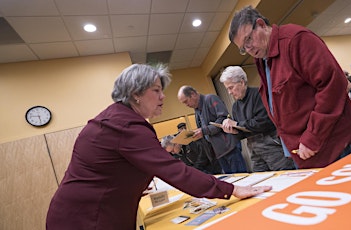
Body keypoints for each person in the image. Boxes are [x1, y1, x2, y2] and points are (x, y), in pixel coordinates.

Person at [46, 64, 270, 230]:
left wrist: (128, 183)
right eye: (156, 90)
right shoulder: (125, 124)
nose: (163, 96)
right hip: (86, 220)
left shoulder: (118, 118)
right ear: (136, 93)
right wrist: (230, 190)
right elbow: (173, 170)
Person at [228, 6, 351, 169]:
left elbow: (332, 87)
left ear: (261, 25)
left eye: (248, 39)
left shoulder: (296, 40)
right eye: (243, 48)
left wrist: (313, 136)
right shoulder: (263, 60)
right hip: (305, 152)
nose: (248, 49)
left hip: (334, 145)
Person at [219, 66, 296, 172]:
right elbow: (243, 132)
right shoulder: (235, 106)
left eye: (231, 87)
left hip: (272, 146)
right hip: (254, 149)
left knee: (285, 174)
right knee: (260, 179)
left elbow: (264, 122)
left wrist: (237, 124)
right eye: (227, 89)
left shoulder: (259, 95)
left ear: (242, 82)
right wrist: (234, 131)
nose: (229, 92)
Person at [177, 85, 248, 173]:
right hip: (218, 153)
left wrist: (203, 131)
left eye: (186, 101)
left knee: (241, 177)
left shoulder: (211, 99)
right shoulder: (197, 110)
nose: (186, 105)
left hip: (228, 148)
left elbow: (223, 119)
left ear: (193, 94)